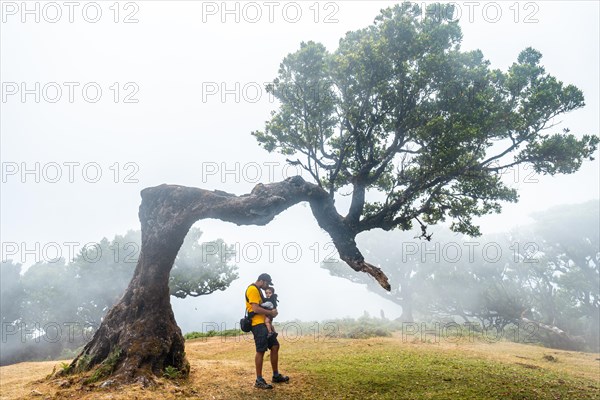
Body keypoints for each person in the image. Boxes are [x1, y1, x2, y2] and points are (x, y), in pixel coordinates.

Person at [245, 273, 289, 389]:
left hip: (263, 323)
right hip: (257, 324)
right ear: (262, 281)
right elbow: (255, 308)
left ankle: (275, 375)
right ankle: (259, 380)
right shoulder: (252, 289)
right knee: (261, 350)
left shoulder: (258, 290)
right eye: (267, 283)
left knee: (275, 346)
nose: (267, 286)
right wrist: (271, 313)